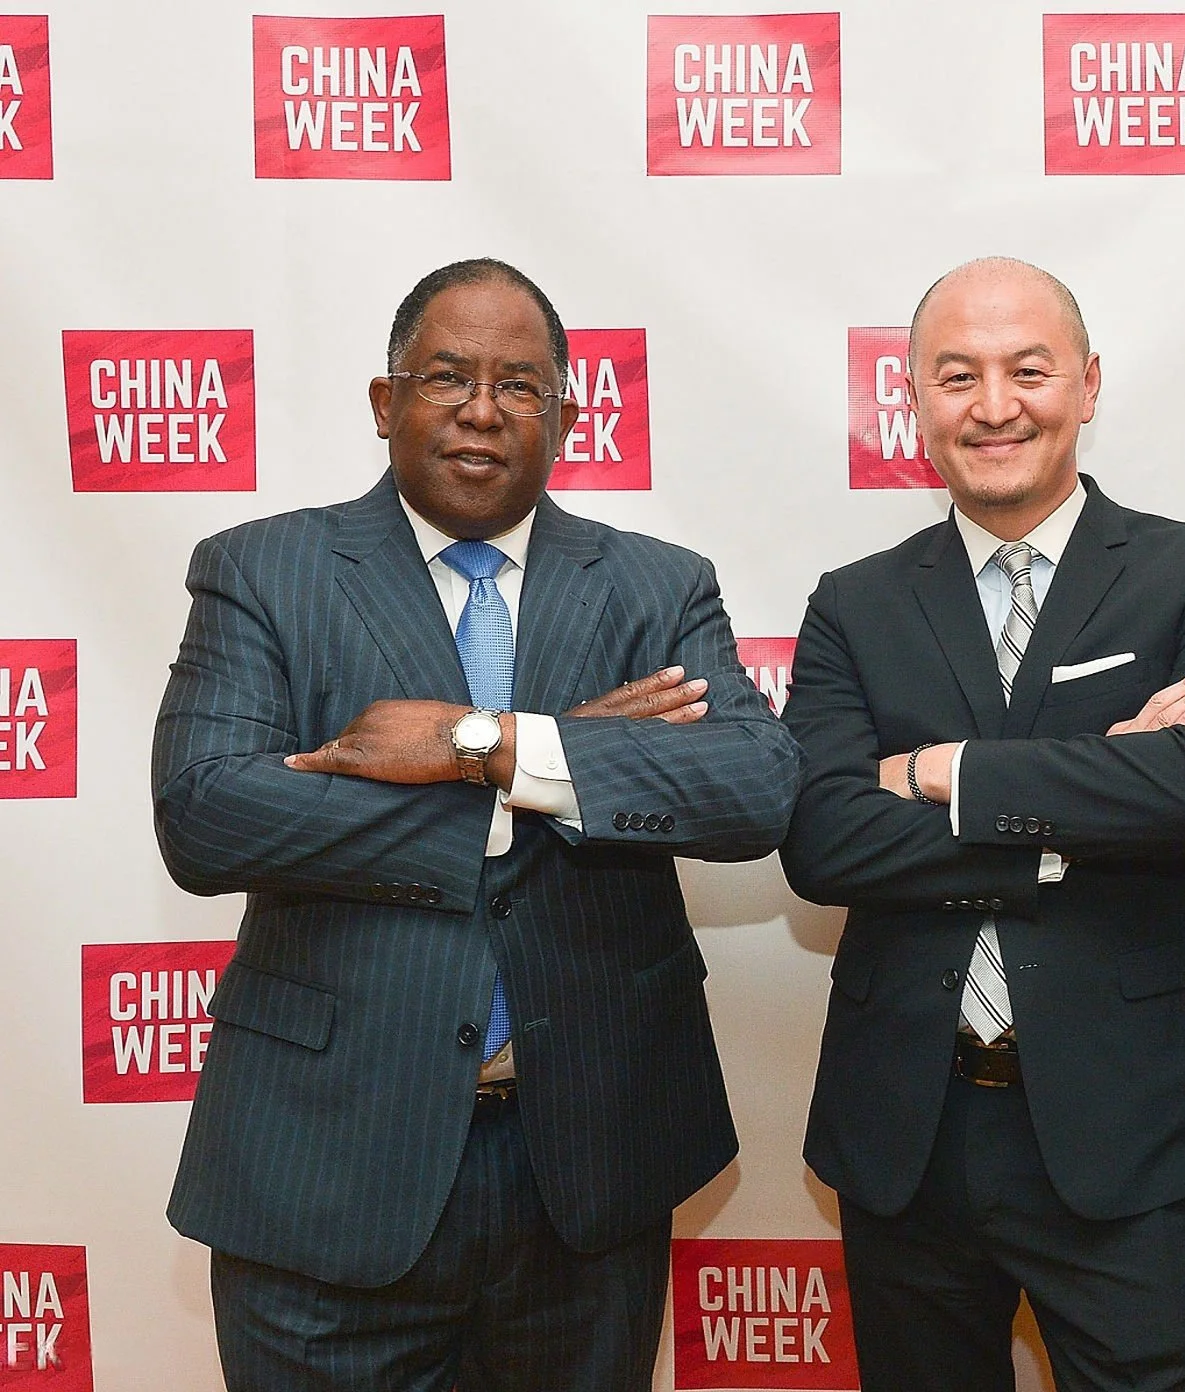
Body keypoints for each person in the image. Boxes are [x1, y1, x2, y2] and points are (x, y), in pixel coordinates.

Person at [152, 258, 800, 1391]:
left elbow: (754, 790)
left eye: (521, 385)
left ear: (567, 413)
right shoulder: (264, 571)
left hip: (586, 1175)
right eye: (446, 377)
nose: (482, 411)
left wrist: (495, 745)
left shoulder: (655, 585)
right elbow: (209, 816)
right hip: (326, 1171)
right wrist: (559, 774)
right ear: (383, 401)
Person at [777, 257, 1185, 1392]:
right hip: (905, 1127)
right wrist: (1087, 798)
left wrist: (936, 772)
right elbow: (820, 841)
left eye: (1027, 370)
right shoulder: (852, 603)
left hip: (1121, 1129)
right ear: (912, 403)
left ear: (1087, 385)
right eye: (955, 376)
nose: (993, 405)